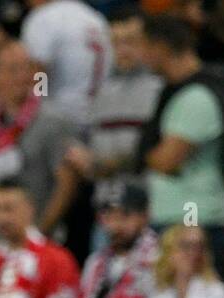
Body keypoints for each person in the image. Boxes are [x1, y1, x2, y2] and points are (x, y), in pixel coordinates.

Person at [139, 13, 224, 285]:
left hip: (194, 220)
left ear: (160, 47)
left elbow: (167, 160)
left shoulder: (198, 96)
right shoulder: (174, 91)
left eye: (143, 46)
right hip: (175, 218)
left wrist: (144, 153)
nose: (140, 55)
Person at [0, 40, 82, 241]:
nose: (23, 77)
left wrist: (39, 234)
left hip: (32, 238)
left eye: (27, 68)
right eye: (13, 70)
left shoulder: (52, 121)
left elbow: (67, 184)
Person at [65, 6, 162, 225]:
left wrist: (104, 164)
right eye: (116, 42)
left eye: (131, 41)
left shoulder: (160, 89)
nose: (123, 50)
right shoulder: (101, 92)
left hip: (147, 211)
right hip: (106, 212)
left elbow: (159, 153)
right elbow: (86, 148)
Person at [19, 0, 113, 126]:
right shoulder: (94, 17)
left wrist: (35, 107)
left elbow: (38, 70)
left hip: (61, 117)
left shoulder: (43, 18)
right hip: (100, 115)